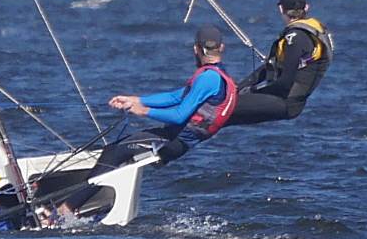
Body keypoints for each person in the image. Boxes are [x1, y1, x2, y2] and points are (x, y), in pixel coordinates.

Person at [47, 24, 237, 222]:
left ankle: (65, 210)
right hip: (176, 140)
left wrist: (143, 111)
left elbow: (180, 115)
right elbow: (175, 97)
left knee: (114, 152)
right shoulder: (216, 76)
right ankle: (77, 206)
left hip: (172, 142)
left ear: (196, 49)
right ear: (221, 48)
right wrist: (136, 100)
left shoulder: (209, 78)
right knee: (116, 152)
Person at [225, 0, 332, 127]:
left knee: (221, 108)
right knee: (222, 118)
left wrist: (252, 91)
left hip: (286, 103)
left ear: (281, 9)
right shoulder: (311, 32)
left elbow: (285, 83)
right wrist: (240, 88)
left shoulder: (295, 38)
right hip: (287, 102)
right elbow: (268, 68)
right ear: (306, 7)